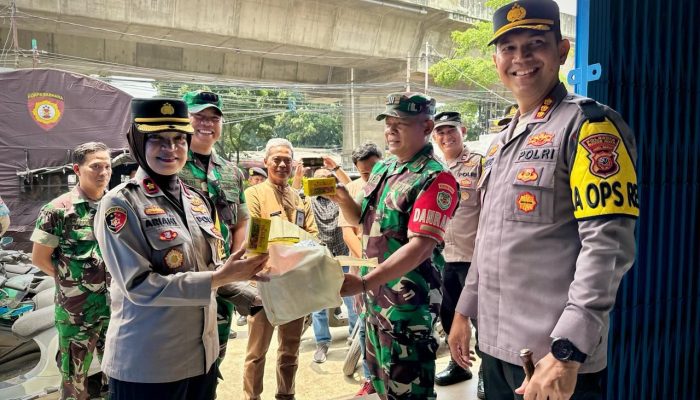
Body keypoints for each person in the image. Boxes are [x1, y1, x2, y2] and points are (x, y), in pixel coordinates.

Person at [449, 2, 639, 400]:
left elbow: (607, 246)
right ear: (496, 59)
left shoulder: (588, 126)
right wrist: (464, 311)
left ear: (562, 50)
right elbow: (489, 238)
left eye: (535, 43)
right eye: (508, 48)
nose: (521, 58)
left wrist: (568, 350)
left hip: (552, 359)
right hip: (496, 347)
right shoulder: (501, 141)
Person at [94, 98, 267, 400]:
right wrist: (219, 278)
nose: (170, 148)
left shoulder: (197, 200)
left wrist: (257, 293)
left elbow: (210, 270)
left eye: (178, 139)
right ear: (138, 142)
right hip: (150, 365)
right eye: (157, 140)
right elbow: (139, 286)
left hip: (202, 358)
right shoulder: (121, 203)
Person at [332, 92, 460, 400]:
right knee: (381, 387)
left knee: (409, 392)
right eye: (388, 123)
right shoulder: (383, 168)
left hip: (407, 310)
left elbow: (420, 247)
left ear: (427, 126)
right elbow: (359, 217)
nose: (390, 130)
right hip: (374, 303)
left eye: (400, 123)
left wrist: (363, 282)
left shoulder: (435, 178)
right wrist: (341, 197)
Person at [30, 142, 112, 400]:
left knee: (120, 374)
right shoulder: (57, 210)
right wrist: (72, 281)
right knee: (74, 382)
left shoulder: (118, 205)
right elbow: (39, 258)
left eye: (107, 166)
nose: (103, 172)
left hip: (118, 309)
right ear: (77, 169)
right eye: (95, 166)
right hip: (77, 313)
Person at [242, 138, 319, 400]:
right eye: (277, 159)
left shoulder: (300, 198)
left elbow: (314, 238)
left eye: (287, 159)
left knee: (290, 351)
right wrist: (293, 244)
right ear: (266, 163)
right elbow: (255, 239)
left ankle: (286, 396)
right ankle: (252, 397)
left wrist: (285, 244)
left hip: (294, 287)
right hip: (263, 284)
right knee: (256, 353)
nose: (283, 164)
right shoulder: (253, 194)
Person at [180, 90, 256, 355]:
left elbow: (241, 222)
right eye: (198, 116)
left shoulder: (231, 172)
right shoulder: (168, 166)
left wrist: (233, 265)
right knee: (182, 360)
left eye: (214, 118)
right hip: (184, 283)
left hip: (225, 283)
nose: (207, 124)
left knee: (215, 355)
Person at [431, 112, 482, 389]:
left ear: (463, 131)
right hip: (446, 258)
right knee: (449, 315)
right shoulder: (436, 169)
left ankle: (486, 372)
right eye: (440, 132)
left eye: (451, 131)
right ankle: (458, 364)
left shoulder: (479, 164)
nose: (446, 137)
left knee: (480, 318)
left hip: (474, 258)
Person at [337, 142, 382, 396]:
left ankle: (385, 376)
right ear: (356, 170)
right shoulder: (352, 190)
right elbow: (348, 233)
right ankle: (369, 377)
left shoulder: (391, 185)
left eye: (375, 168)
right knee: (364, 325)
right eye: (365, 172)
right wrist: (367, 261)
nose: (371, 176)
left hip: (389, 268)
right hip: (362, 270)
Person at [304, 167, 357, 364]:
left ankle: (353, 338)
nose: (323, 183)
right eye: (318, 180)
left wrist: (336, 168)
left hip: (344, 255)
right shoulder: (308, 201)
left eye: (327, 179)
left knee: (351, 300)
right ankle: (322, 342)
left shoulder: (343, 198)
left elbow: (354, 187)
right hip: (320, 257)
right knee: (318, 303)